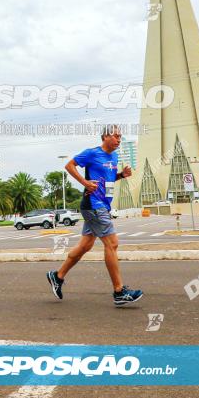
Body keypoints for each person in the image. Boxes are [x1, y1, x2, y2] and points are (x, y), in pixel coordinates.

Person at [46, 126, 143, 306]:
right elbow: (69, 165)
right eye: (116, 136)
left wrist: (122, 175)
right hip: (93, 204)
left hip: (102, 206)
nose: (119, 140)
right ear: (105, 136)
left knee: (85, 245)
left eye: (120, 137)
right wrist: (84, 182)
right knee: (112, 243)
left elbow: (109, 178)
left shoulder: (114, 157)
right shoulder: (91, 153)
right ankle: (119, 291)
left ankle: (57, 276)